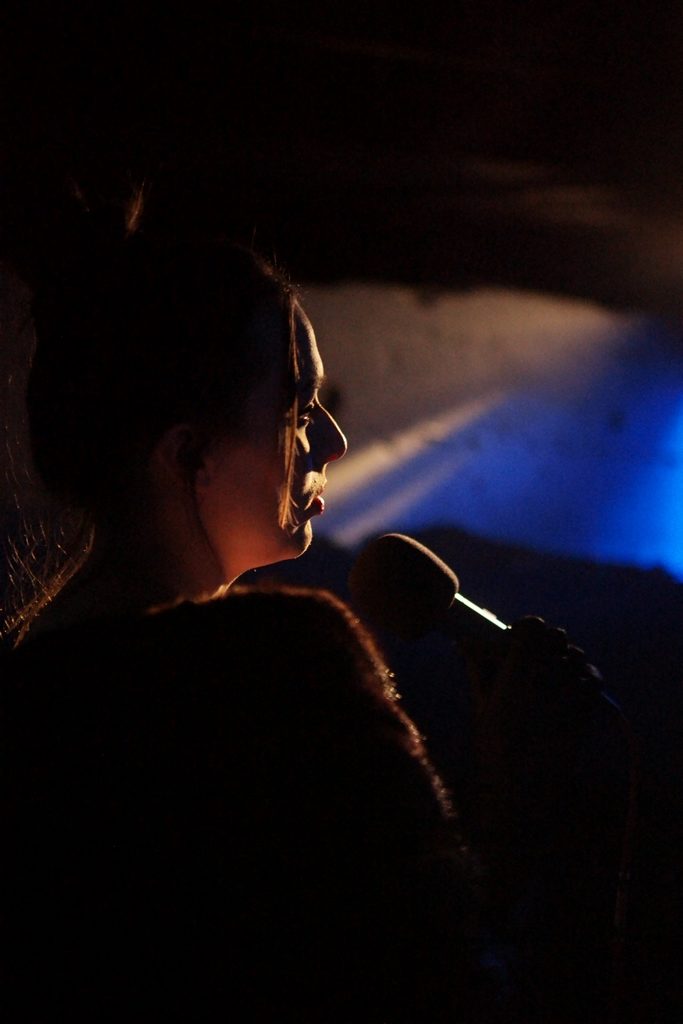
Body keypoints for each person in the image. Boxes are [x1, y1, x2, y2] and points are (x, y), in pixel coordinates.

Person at [0, 190, 503, 1021]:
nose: (331, 442)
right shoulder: (282, 682)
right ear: (189, 454)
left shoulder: (31, 690)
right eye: (297, 408)